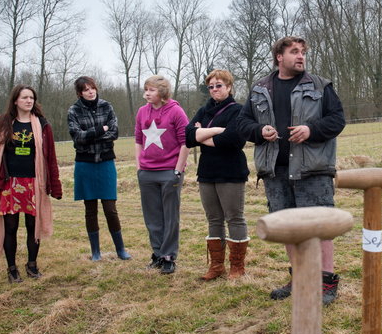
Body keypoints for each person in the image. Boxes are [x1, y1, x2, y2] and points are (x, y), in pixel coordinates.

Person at [236, 36, 345, 304]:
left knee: (320, 226)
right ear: (279, 57)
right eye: (294, 52)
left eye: (303, 52)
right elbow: (242, 123)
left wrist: (312, 130)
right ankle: (300, 277)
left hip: (313, 170)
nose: (301, 56)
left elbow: (337, 120)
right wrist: (259, 131)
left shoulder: (320, 86)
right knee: (288, 227)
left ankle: (325, 283)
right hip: (276, 170)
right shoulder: (260, 88)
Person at [0, 85, 62, 283]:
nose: (29, 101)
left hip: (35, 182)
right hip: (10, 183)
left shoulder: (42, 125)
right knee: (10, 227)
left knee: (32, 226)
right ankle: (11, 269)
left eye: (32, 98)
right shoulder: (3, 123)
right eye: (25, 97)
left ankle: (32, 265)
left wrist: (56, 184)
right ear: (15, 100)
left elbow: (50, 157)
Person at [185, 69, 250, 280]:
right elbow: (188, 136)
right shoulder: (203, 110)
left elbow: (233, 139)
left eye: (219, 85)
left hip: (231, 170)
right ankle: (216, 266)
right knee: (213, 218)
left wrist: (201, 133)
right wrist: (216, 131)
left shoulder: (238, 110)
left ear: (229, 87)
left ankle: (237, 267)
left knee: (234, 218)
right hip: (207, 171)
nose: (214, 90)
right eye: (211, 86)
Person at [68, 76, 131, 261]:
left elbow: (114, 133)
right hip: (85, 164)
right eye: (86, 89)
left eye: (92, 88)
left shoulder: (107, 106)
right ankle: (96, 251)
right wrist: (99, 130)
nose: (90, 91)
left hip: (105, 162)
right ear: (80, 92)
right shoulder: (73, 110)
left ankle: (120, 249)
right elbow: (77, 136)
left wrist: (93, 135)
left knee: (110, 208)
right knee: (90, 209)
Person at [135, 75, 189, 275]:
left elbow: (186, 141)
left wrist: (178, 169)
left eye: (151, 90)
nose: (147, 93)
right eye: (146, 89)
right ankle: (157, 254)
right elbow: (138, 139)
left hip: (169, 172)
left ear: (163, 92)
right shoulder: (142, 112)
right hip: (147, 172)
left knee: (170, 216)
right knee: (153, 217)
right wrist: (138, 166)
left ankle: (169, 256)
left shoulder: (176, 111)